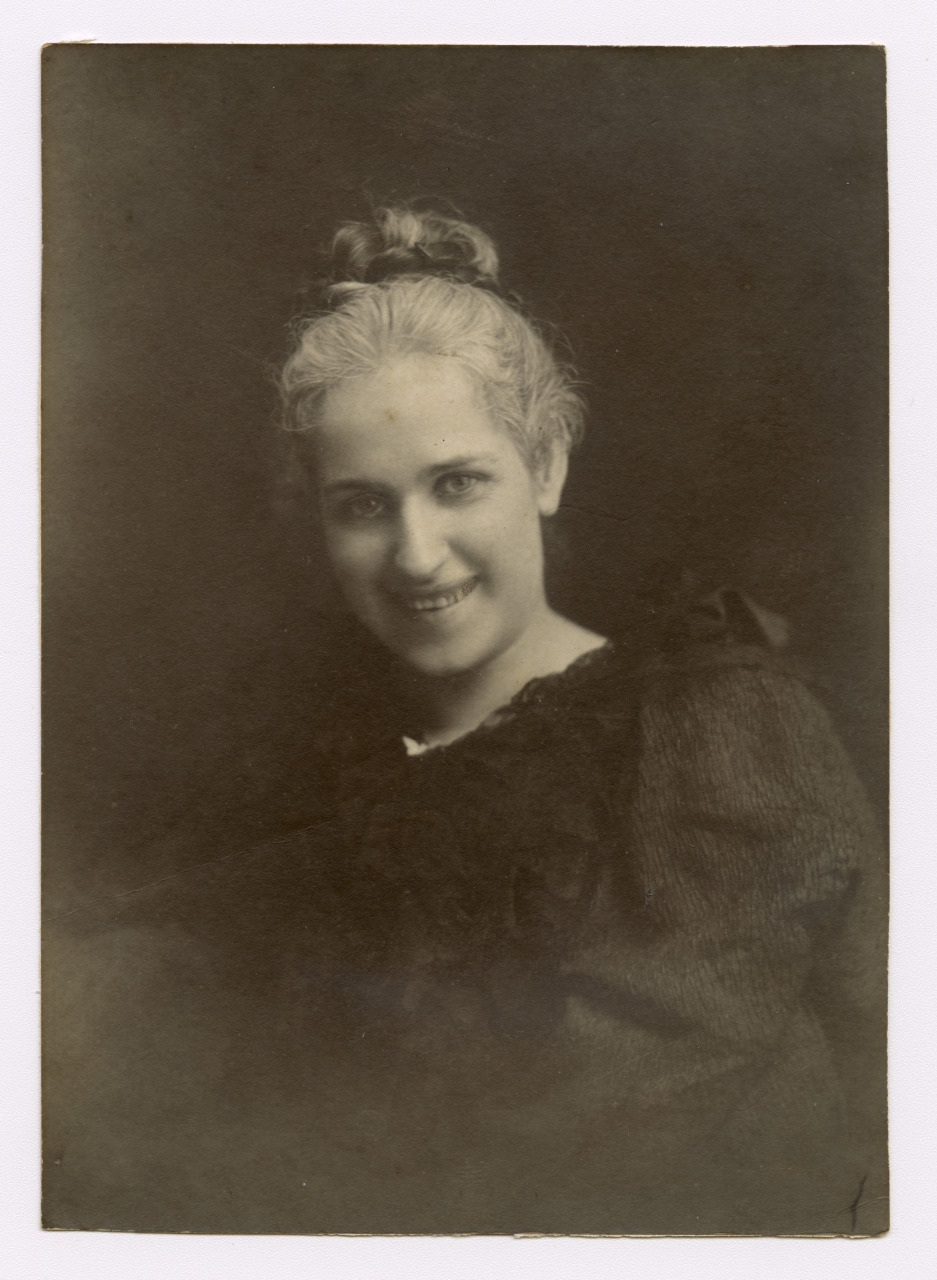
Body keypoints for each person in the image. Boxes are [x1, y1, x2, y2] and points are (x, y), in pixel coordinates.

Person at [43, 206, 887, 1236]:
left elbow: (613, 1137)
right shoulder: (320, 779)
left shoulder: (712, 732)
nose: (416, 553)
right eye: (363, 504)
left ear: (547, 465)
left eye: (457, 484)